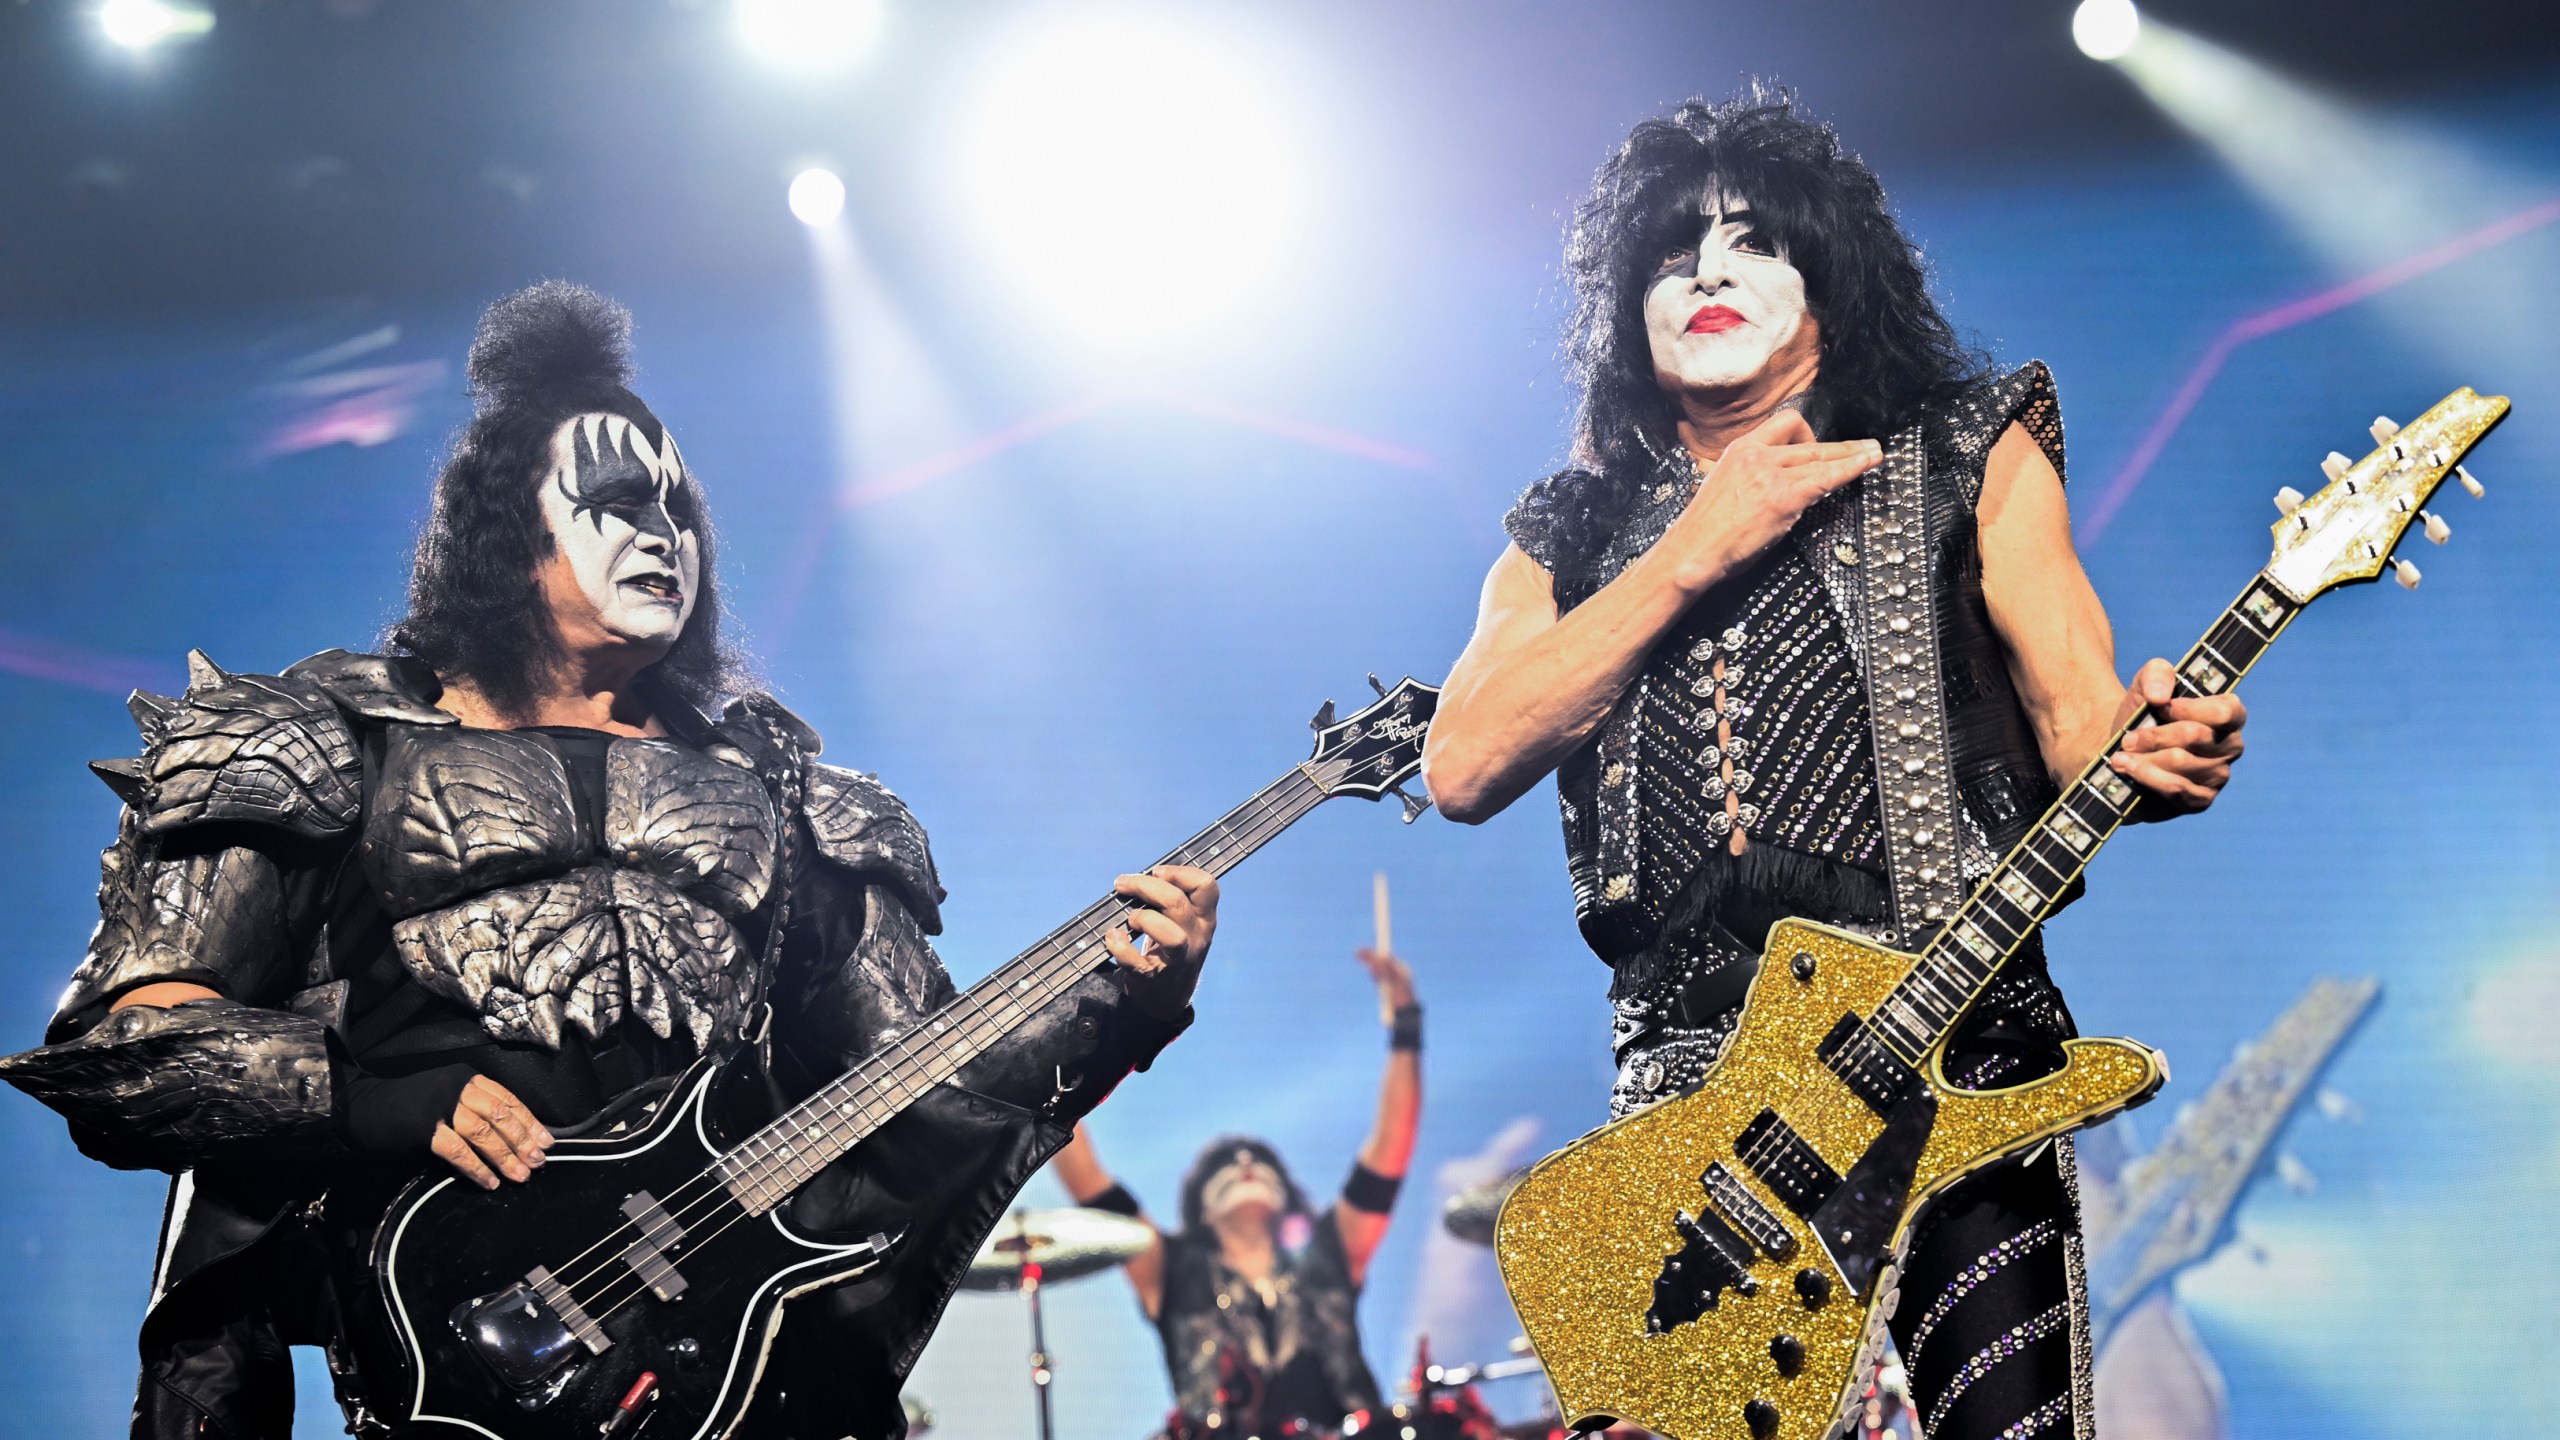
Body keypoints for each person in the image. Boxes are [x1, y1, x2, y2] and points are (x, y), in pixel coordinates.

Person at [0, 281, 1220, 1440]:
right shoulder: (323, 741)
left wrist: (1133, 996)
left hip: (721, 1378)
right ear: (503, 530)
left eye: (681, 510)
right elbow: (128, 1048)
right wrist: (374, 1102)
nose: (666, 535)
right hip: (438, 1363)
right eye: (622, 501)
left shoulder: (790, 794)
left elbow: (915, 1091)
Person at [1420, 89, 2245, 1440]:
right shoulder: (1566, 533)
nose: (1708, 274)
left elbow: (2082, 720)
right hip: (1697, 1111)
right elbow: (1464, 762)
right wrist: (1695, 545)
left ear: (1828, 286)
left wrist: (2160, 746)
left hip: (1956, 1048)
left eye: (1754, 244)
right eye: (1674, 253)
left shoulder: (1973, 449)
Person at [1050, 947, 1423, 1438]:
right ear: (1202, 1205)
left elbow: (1390, 1148)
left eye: (1260, 1163)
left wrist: (1407, 1026)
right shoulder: (1167, 1266)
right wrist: (1054, 1060)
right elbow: (1086, 1175)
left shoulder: (1332, 1250)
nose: (1246, 1165)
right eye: (1226, 1166)